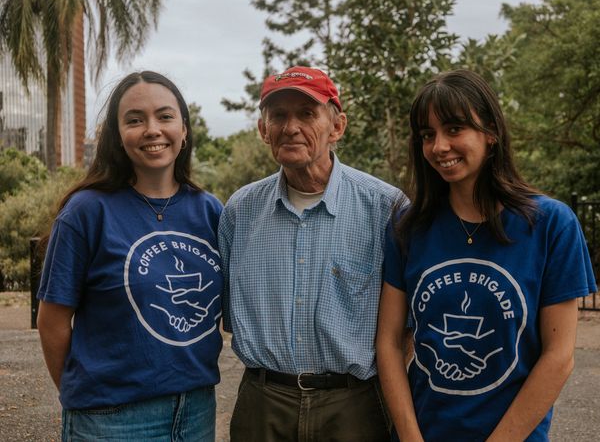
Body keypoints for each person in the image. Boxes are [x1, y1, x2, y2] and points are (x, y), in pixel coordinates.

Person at [376, 69, 597, 441]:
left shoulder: (550, 224)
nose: (439, 146)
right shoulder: (407, 226)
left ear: (490, 133)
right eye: (428, 135)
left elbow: (559, 357)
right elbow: (389, 341)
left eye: (454, 129)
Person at [218, 65, 402, 441]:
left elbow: (405, 327)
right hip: (263, 403)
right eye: (278, 115)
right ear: (262, 129)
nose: (290, 127)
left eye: (306, 113)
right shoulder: (240, 210)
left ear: (337, 127)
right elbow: (229, 316)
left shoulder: (385, 207)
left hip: (354, 406)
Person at [36, 71, 223, 441]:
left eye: (165, 116)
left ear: (184, 130)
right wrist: (86, 397)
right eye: (134, 120)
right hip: (111, 419)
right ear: (118, 137)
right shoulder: (86, 212)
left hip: (196, 411)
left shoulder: (210, 211)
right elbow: (52, 322)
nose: (152, 129)